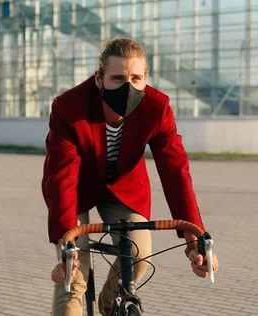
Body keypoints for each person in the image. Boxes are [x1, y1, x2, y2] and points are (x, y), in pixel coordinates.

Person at [41, 36, 219, 316]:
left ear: (146, 77)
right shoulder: (69, 107)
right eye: (118, 78)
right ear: (99, 78)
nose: (128, 87)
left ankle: (109, 303)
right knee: (74, 278)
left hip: (124, 188)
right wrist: (67, 245)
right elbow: (61, 178)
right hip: (77, 191)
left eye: (136, 78)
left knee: (138, 257)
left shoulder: (157, 107)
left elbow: (176, 172)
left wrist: (195, 241)